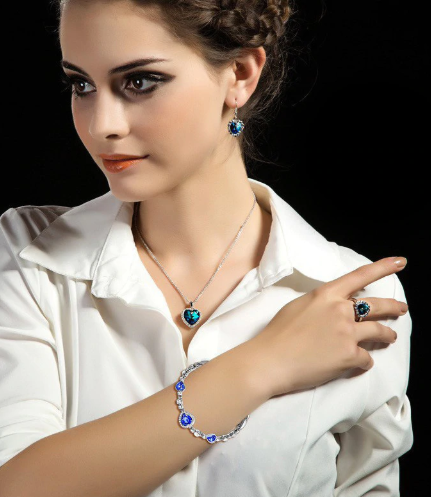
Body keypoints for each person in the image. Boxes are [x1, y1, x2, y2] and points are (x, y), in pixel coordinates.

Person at [0, 1, 413, 496]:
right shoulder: (28, 257)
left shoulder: (354, 297)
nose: (101, 125)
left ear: (240, 74)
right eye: (81, 85)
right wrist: (264, 364)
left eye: (139, 81)